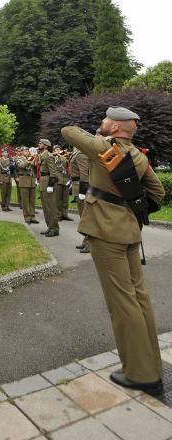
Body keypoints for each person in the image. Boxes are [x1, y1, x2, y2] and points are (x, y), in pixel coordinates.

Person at [62, 106, 165, 395]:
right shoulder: (138, 156)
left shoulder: (103, 148)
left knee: (122, 303)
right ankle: (152, 367)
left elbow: (68, 131)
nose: (102, 122)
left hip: (106, 235)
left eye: (106, 120)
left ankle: (140, 373)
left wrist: (99, 135)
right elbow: (157, 193)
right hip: (130, 232)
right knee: (139, 299)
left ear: (117, 128)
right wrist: (133, 211)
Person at [69, 146, 90, 252]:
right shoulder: (77, 152)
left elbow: (84, 174)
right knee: (83, 216)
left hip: (80, 187)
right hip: (76, 185)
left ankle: (89, 243)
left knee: (85, 217)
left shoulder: (81, 154)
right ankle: (86, 241)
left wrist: (83, 190)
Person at [36, 139, 59, 237]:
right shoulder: (40, 155)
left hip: (48, 182)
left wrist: (50, 185)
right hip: (42, 181)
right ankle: (49, 226)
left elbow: (53, 172)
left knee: (51, 207)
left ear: (46, 146)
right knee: (45, 208)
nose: (39, 144)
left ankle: (55, 228)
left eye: (40, 143)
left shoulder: (49, 156)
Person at [14, 148, 39, 224]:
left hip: (31, 180)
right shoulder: (19, 159)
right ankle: (27, 217)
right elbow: (22, 166)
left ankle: (32, 216)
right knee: (25, 200)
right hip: (24, 180)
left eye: (28, 151)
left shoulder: (30, 158)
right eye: (25, 151)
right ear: (21, 152)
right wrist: (30, 160)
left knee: (32, 200)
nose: (27, 152)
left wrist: (35, 160)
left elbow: (34, 167)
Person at [53, 145, 73, 221]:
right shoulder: (53, 157)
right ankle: (58, 214)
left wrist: (66, 154)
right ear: (53, 150)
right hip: (58, 180)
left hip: (65, 179)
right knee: (58, 199)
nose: (58, 150)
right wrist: (58, 154)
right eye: (56, 149)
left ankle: (65, 214)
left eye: (59, 149)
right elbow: (57, 163)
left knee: (65, 199)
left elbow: (67, 163)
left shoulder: (64, 156)